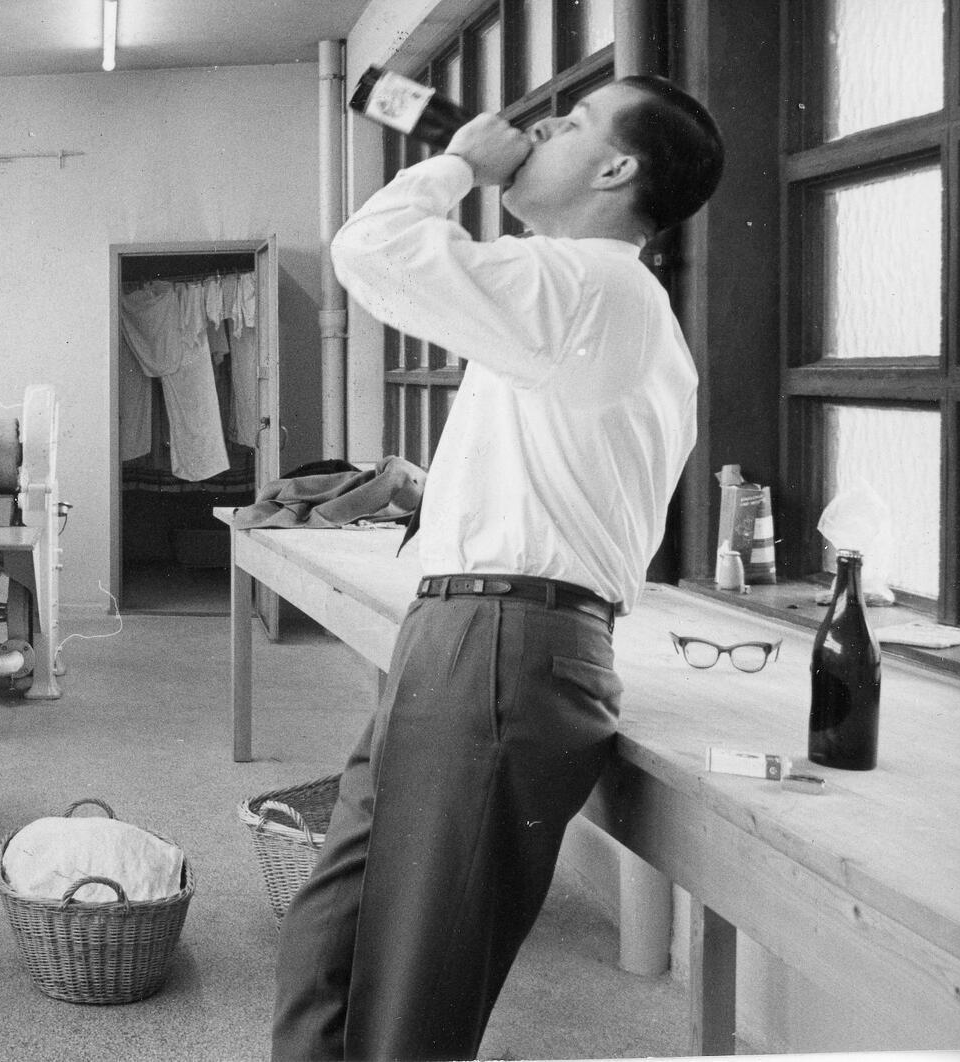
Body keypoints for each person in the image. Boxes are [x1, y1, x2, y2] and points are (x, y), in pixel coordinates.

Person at [270, 75, 724, 1060]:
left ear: (613, 169)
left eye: (563, 125)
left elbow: (372, 251)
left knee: (410, 980)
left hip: (504, 641)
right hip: (469, 634)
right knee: (333, 931)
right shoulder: (577, 299)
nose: (530, 133)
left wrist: (458, 164)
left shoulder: (598, 284)